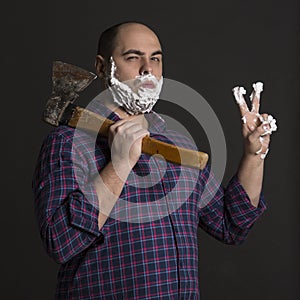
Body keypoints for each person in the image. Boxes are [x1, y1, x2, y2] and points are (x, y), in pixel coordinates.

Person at [32, 21, 276, 299]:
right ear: (102, 67)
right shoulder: (67, 144)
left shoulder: (178, 145)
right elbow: (61, 243)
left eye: (156, 59)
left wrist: (255, 154)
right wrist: (120, 163)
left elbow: (230, 224)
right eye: (133, 57)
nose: (148, 69)